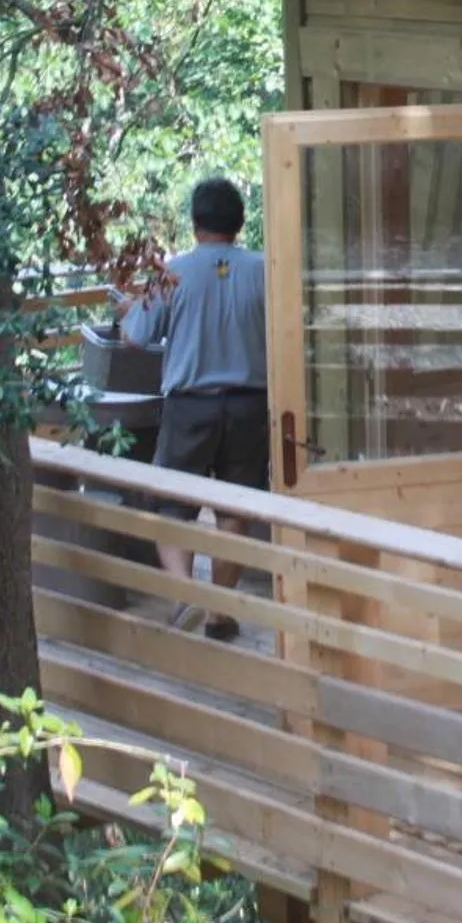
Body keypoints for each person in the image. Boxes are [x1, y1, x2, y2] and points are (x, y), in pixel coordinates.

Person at [118, 177, 267, 640]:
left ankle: (187, 599)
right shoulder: (267, 269)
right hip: (250, 406)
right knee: (234, 510)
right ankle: (219, 613)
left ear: (196, 222)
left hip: (189, 408)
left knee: (171, 508)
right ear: (240, 222)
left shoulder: (173, 273)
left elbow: (135, 337)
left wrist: (128, 308)